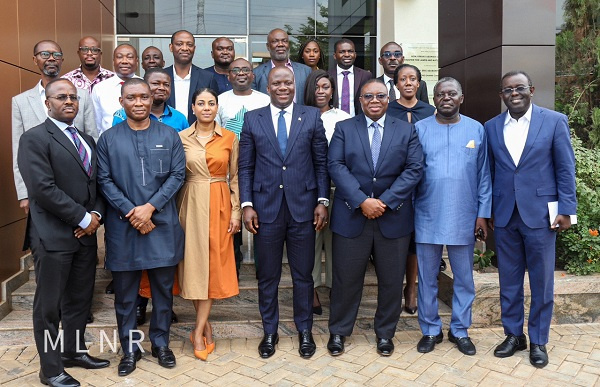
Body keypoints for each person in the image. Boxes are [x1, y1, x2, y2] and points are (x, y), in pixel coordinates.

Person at [18, 78, 109, 387]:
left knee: (79, 300)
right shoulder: (34, 139)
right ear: (48, 103)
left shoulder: (86, 139)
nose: (69, 101)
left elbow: (95, 184)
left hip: (85, 237)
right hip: (53, 236)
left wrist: (96, 214)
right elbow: (42, 190)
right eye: (61, 97)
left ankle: (73, 351)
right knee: (49, 306)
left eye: (73, 97)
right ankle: (50, 368)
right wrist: (83, 218)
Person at [486, 71, 576, 368]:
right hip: (505, 215)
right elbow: (489, 174)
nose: (514, 93)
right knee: (508, 282)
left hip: (540, 215)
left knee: (541, 282)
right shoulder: (491, 127)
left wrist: (567, 210)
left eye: (519, 88)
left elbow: (565, 169)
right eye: (507, 89)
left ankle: (538, 340)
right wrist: (486, 214)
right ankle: (514, 335)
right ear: (501, 95)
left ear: (531, 90)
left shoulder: (553, 121)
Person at [326, 79, 423, 357]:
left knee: (392, 281)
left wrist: (386, 202)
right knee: (345, 280)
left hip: (393, 218)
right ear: (360, 100)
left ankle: (385, 334)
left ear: (388, 99)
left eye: (380, 95)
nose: (374, 100)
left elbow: (414, 169)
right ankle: (339, 332)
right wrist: (361, 201)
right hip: (351, 216)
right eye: (368, 96)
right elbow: (336, 165)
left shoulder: (406, 130)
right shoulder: (344, 128)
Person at [238, 66, 329, 359]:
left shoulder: (312, 116)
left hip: (303, 209)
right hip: (265, 211)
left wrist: (323, 200)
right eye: (276, 82)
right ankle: (270, 332)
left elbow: (321, 163)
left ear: (294, 85)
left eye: (287, 82)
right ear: (267, 86)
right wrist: (247, 204)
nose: (282, 87)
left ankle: (305, 331)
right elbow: (246, 167)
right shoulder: (253, 119)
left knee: (303, 276)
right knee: (268, 277)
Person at [97, 78, 185, 376]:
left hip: (161, 224)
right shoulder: (108, 139)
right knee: (126, 295)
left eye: (144, 97)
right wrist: (132, 212)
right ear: (122, 102)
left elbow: (177, 176)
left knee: (162, 291)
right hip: (124, 227)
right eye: (131, 97)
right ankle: (130, 349)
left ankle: (161, 344)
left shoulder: (170, 135)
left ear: (152, 100)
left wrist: (149, 208)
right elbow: (104, 180)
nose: (138, 103)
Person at [414, 77, 491, 356]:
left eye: (452, 93)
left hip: (464, 215)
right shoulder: (419, 129)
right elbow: (411, 173)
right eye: (440, 94)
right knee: (427, 278)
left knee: (464, 278)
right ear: (433, 99)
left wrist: (482, 215)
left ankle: (460, 329)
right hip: (426, 214)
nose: (446, 97)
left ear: (461, 97)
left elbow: (484, 176)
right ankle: (430, 330)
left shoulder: (476, 129)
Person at [178, 88, 241, 361]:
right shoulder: (180, 138)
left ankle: (199, 328)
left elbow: (235, 176)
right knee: (193, 265)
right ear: (192, 107)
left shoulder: (229, 137)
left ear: (217, 108)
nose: (206, 107)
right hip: (190, 202)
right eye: (201, 103)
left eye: (211, 103)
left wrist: (236, 212)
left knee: (213, 265)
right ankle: (205, 327)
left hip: (219, 202)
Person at [12, 40, 97, 214]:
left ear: (62, 60)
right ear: (35, 60)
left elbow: (92, 139)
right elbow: (17, 150)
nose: (51, 58)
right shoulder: (20, 101)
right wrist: (23, 194)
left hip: (78, 188)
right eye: (45, 54)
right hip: (40, 187)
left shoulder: (81, 97)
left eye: (56, 55)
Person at [386, 63, 436, 316]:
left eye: (412, 79)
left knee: (418, 238)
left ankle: (412, 287)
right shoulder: (387, 109)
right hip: (394, 182)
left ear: (419, 84)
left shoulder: (430, 111)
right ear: (396, 84)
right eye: (403, 79)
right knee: (398, 237)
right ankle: (395, 287)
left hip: (424, 182)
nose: (407, 82)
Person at [216, 58, 270, 277]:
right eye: (235, 70)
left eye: (245, 70)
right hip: (230, 168)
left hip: (262, 166)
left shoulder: (265, 100)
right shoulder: (220, 100)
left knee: (263, 216)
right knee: (233, 213)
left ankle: (263, 265)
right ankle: (233, 265)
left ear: (253, 75)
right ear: (228, 76)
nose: (240, 73)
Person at [303, 69, 351, 315]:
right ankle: (310, 290)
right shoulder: (299, 115)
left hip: (337, 188)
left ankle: (334, 288)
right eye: (317, 87)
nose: (320, 92)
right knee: (310, 242)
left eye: (326, 87)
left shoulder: (343, 117)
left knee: (335, 243)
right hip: (307, 189)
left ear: (333, 91)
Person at [165, 30, 219, 124]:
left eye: (189, 45)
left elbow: (213, 110)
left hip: (197, 135)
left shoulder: (207, 78)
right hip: (167, 134)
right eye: (179, 44)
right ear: (171, 47)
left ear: (194, 48)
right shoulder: (162, 77)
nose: (185, 48)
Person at [113, 68, 188, 132]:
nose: (162, 88)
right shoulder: (122, 115)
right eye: (156, 83)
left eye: (166, 85)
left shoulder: (179, 118)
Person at [251, 28, 312, 105]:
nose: (280, 44)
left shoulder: (305, 71)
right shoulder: (256, 73)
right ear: (268, 46)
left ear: (288, 45)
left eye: (284, 41)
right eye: (275, 41)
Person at [91, 44, 141, 135]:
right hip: (109, 144)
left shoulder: (146, 86)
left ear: (137, 61)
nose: (124, 61)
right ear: (113, 61)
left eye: (129, 57)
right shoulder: (100, 89)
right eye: (119, 57)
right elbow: (96, 124)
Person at [328, 38, 373, 116]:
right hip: (333, 121)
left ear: (355, 54)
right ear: (335, 56)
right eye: (342, 52)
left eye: (350, 51)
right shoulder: (327, 76)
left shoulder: (366, 76)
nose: (347, 55)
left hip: (358, 122)